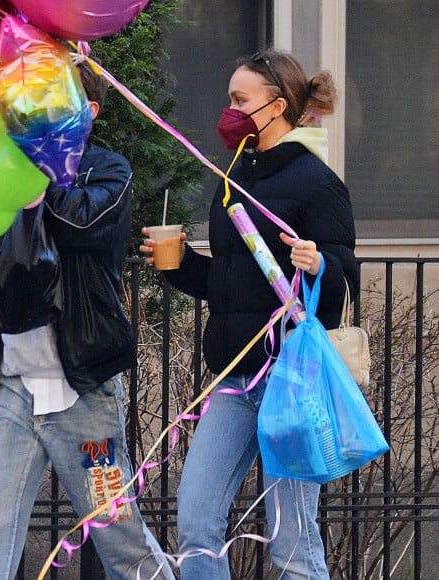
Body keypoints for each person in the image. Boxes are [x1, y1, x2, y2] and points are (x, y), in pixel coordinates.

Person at [0, 60, 175, 580]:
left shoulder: (109, 169)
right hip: (12, 389)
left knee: (119, 535)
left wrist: (40, 186)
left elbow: (87, 222)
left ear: (88, 111)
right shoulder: (6, 163)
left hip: (82, 396)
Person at [141, 49, 359, 579]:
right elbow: (228, 284)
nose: (230, 110)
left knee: (294, 543)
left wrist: (319, 263)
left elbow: (345, 281)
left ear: (277, 106)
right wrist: (177, 265)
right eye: (230, 98)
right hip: (236, 377)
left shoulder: (317, 182)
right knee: (195, 519)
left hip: (292, 379)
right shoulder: (233, 179)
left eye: (241, 100)